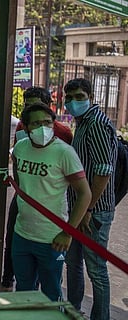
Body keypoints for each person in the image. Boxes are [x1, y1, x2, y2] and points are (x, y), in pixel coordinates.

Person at [12, 102, 91, 302]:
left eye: (47, 122)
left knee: (51, 294)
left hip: (52, 239)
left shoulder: (64, 152)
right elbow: (20, 182)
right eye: (36, 123)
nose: (43, 128)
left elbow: (84, 194)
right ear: (26, 127)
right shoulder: (20, 148)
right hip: (22, 233)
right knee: (23, 290)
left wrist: (68, 232)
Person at [1, 86, 73, 291]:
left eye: (34, 105)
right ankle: (8, 280)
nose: (31, 112)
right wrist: (20, 187)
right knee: (13, 237)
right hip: (24, 196)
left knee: (48, 253)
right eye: (26, 105)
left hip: (50, 200)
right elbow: (16, 159)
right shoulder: (22, 129)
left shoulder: (63, 133)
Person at [64, 78, 118, 320]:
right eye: (69, 97)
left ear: (90, 97)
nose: (73, 102)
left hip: (93, 210)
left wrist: (88, 207)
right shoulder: (83, 122)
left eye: (79, 97)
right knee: (73, 261)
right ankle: (73, 308)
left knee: (96, 269)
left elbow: (104, 171)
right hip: (79, 207)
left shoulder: (95, 123)